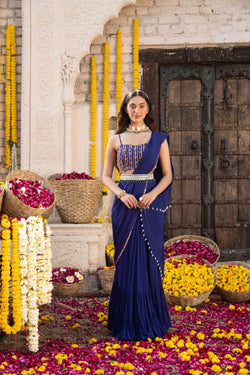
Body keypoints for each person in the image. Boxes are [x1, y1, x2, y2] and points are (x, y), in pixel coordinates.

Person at [102, 89, 174, 341]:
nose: (137, 110)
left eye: (141, 106)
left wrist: (153, 194)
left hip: (148, 204)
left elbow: (167, 175)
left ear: (148, 109)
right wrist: (121, 194)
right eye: (132, 106)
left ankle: (149, 317)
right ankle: (125, 318)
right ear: (125, 109)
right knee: (126, 258)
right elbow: (106, 176)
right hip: (125, 203)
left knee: (148, 258)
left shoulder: (159, 139)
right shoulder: (116, 140)